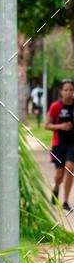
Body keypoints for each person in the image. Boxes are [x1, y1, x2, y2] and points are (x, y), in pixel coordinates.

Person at [45, 79, 74, 212]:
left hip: (72, 143)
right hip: (59, 144)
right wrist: (61, 126)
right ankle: (56, 188)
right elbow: (46, 125)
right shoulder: (56, 106)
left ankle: (65, 201)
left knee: (70, 168)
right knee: (59, 175)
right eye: (66, 90)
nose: (68, 92)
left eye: (71, 90)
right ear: (61, 92)